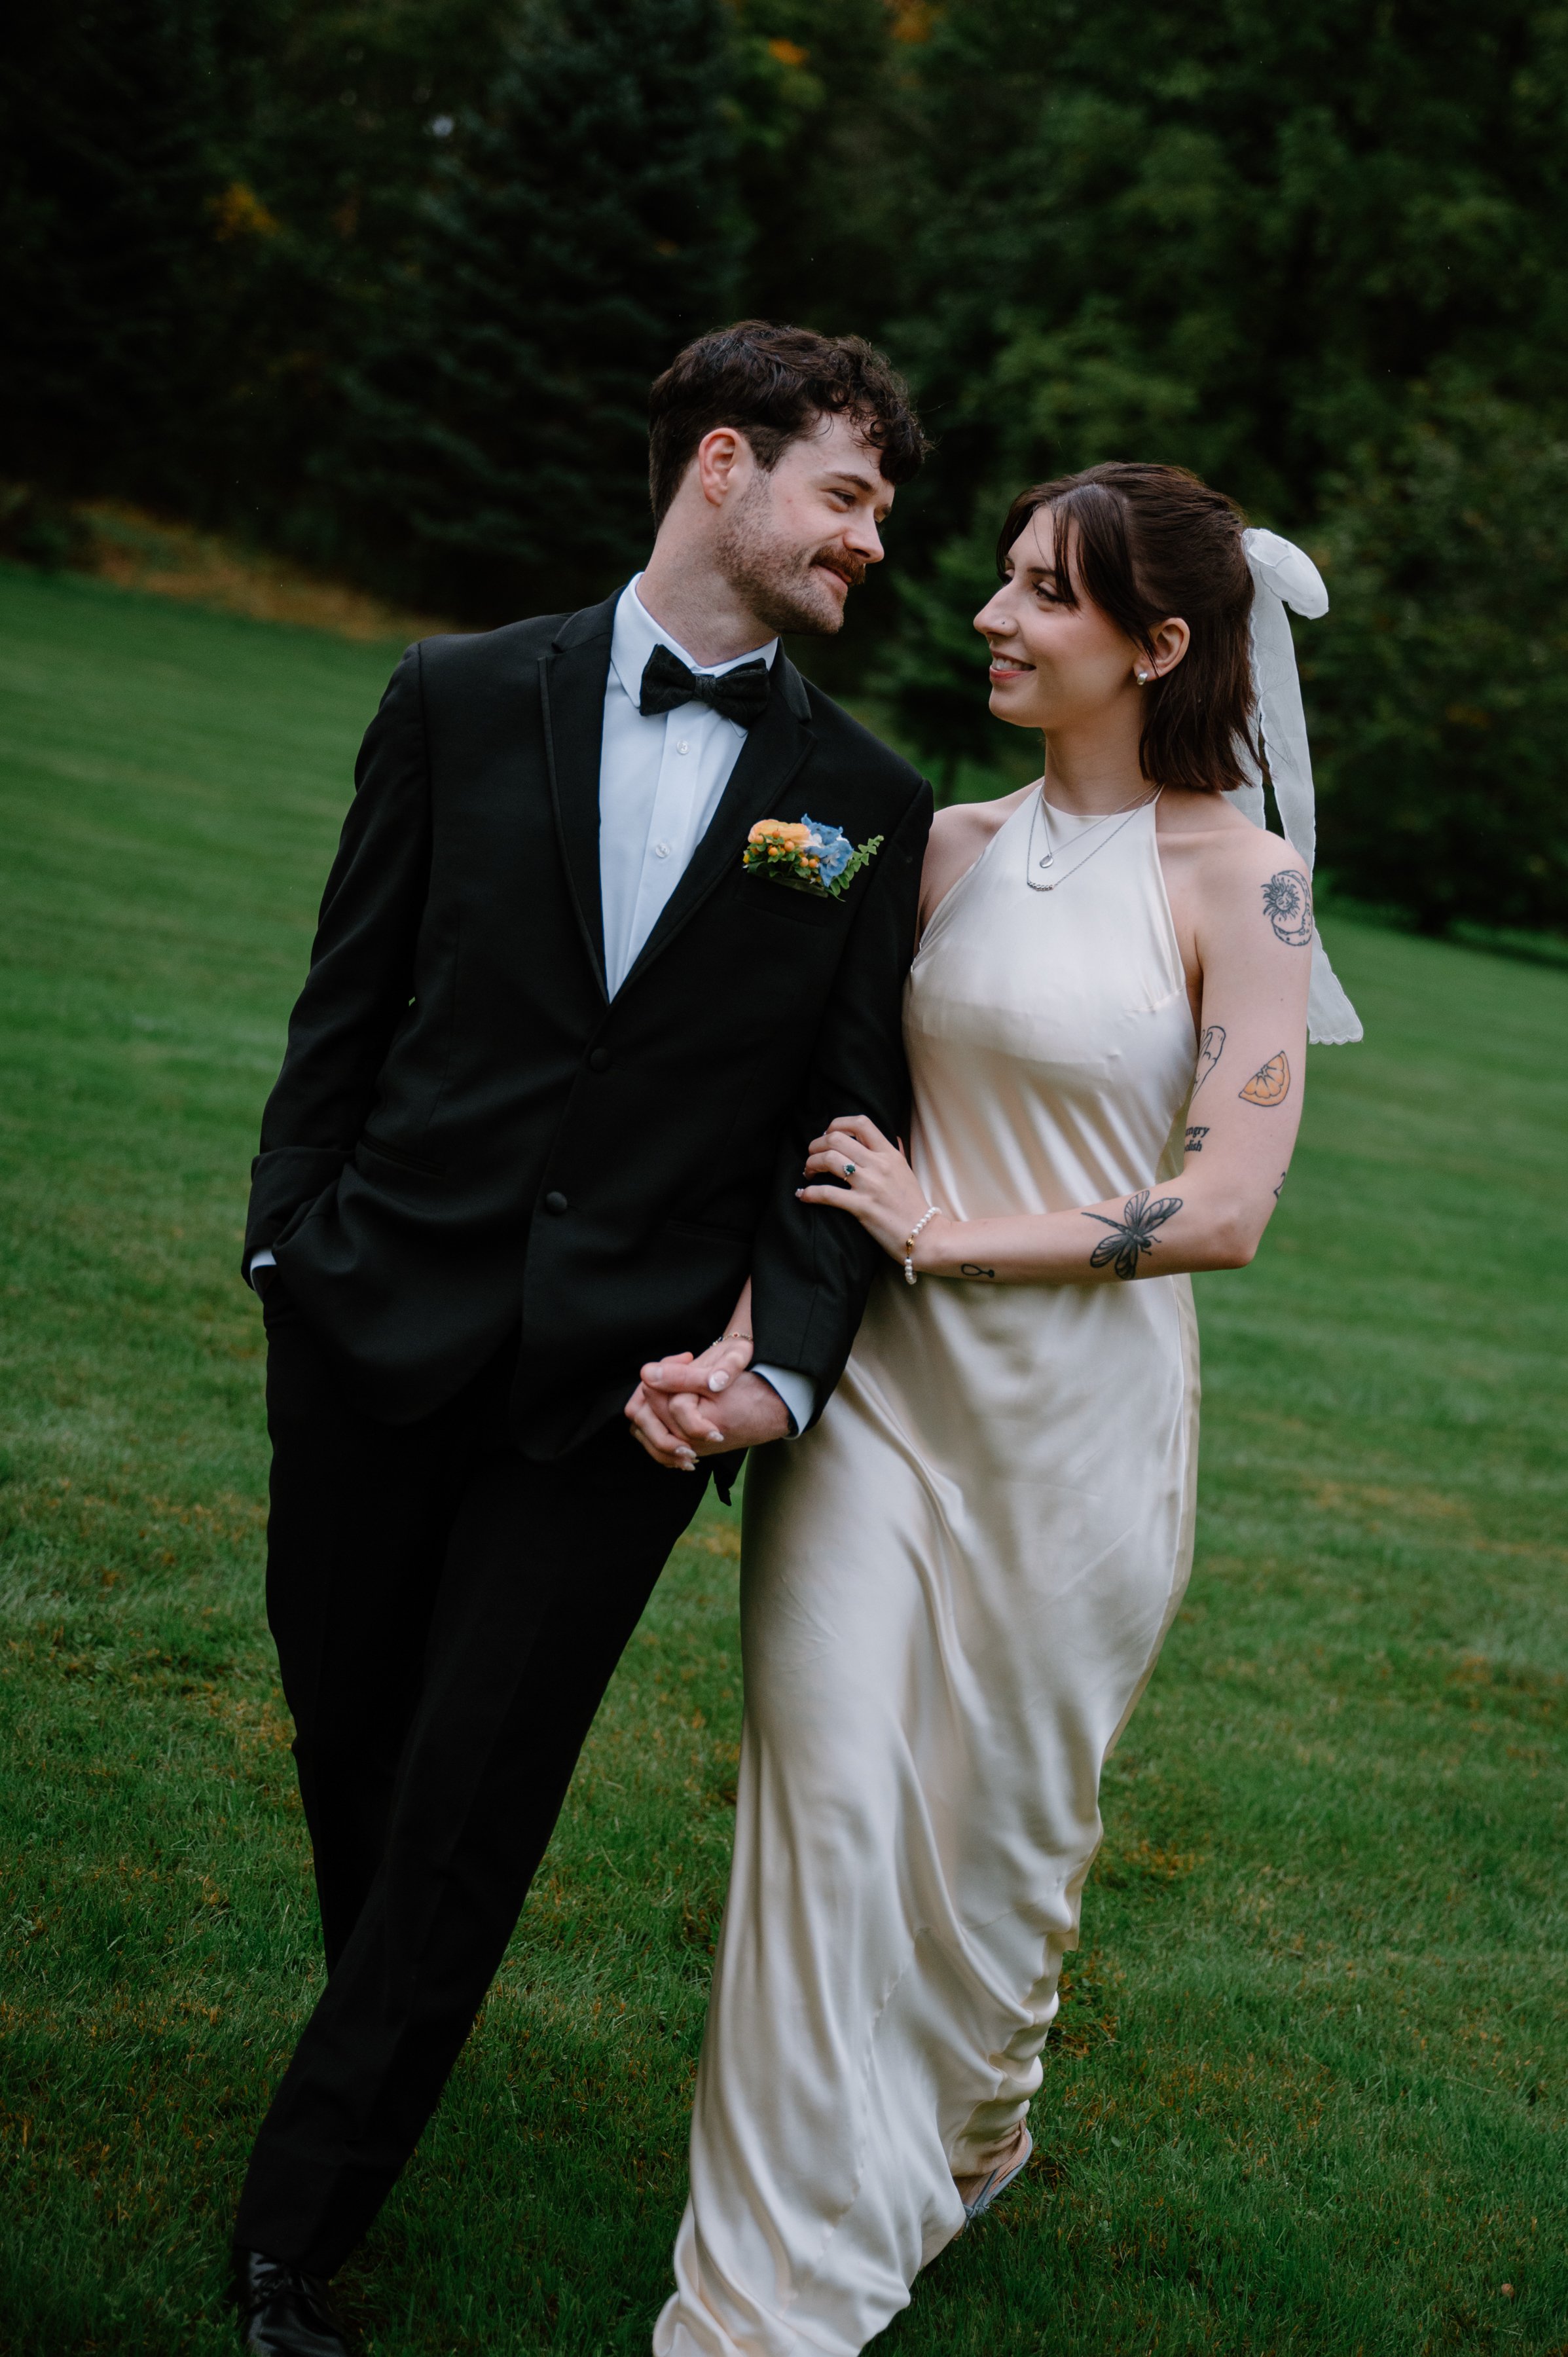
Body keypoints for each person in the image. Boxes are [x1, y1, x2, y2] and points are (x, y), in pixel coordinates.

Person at [229, 321, 933, 2357]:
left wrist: (772, 1369)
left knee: (469, 1803)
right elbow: (346, 1000)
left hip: (621, 1402)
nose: (871, 539)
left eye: (881, 506)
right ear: (723, 466)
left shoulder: (858, 803)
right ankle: (386, 2025)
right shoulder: (453, 695)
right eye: (846, 492)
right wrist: (294, 1250)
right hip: (375, 1321)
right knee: (354, 1743)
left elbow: (844, 1133)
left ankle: (296, 2240)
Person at [634, 463, 1361, 2356]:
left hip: (1079, 1444)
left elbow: (1223, 1205)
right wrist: (742, 1327)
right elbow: (818, 1113)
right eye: (1003, 579)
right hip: (870, 1410)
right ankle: (763, 2297)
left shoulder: (1243, 880)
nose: (990, 615)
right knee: (823, 1813)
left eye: (1045, 593)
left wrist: (951, 1234)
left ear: (1159, 645)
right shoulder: (937, 843)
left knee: (999, 1853)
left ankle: (973, 2128)